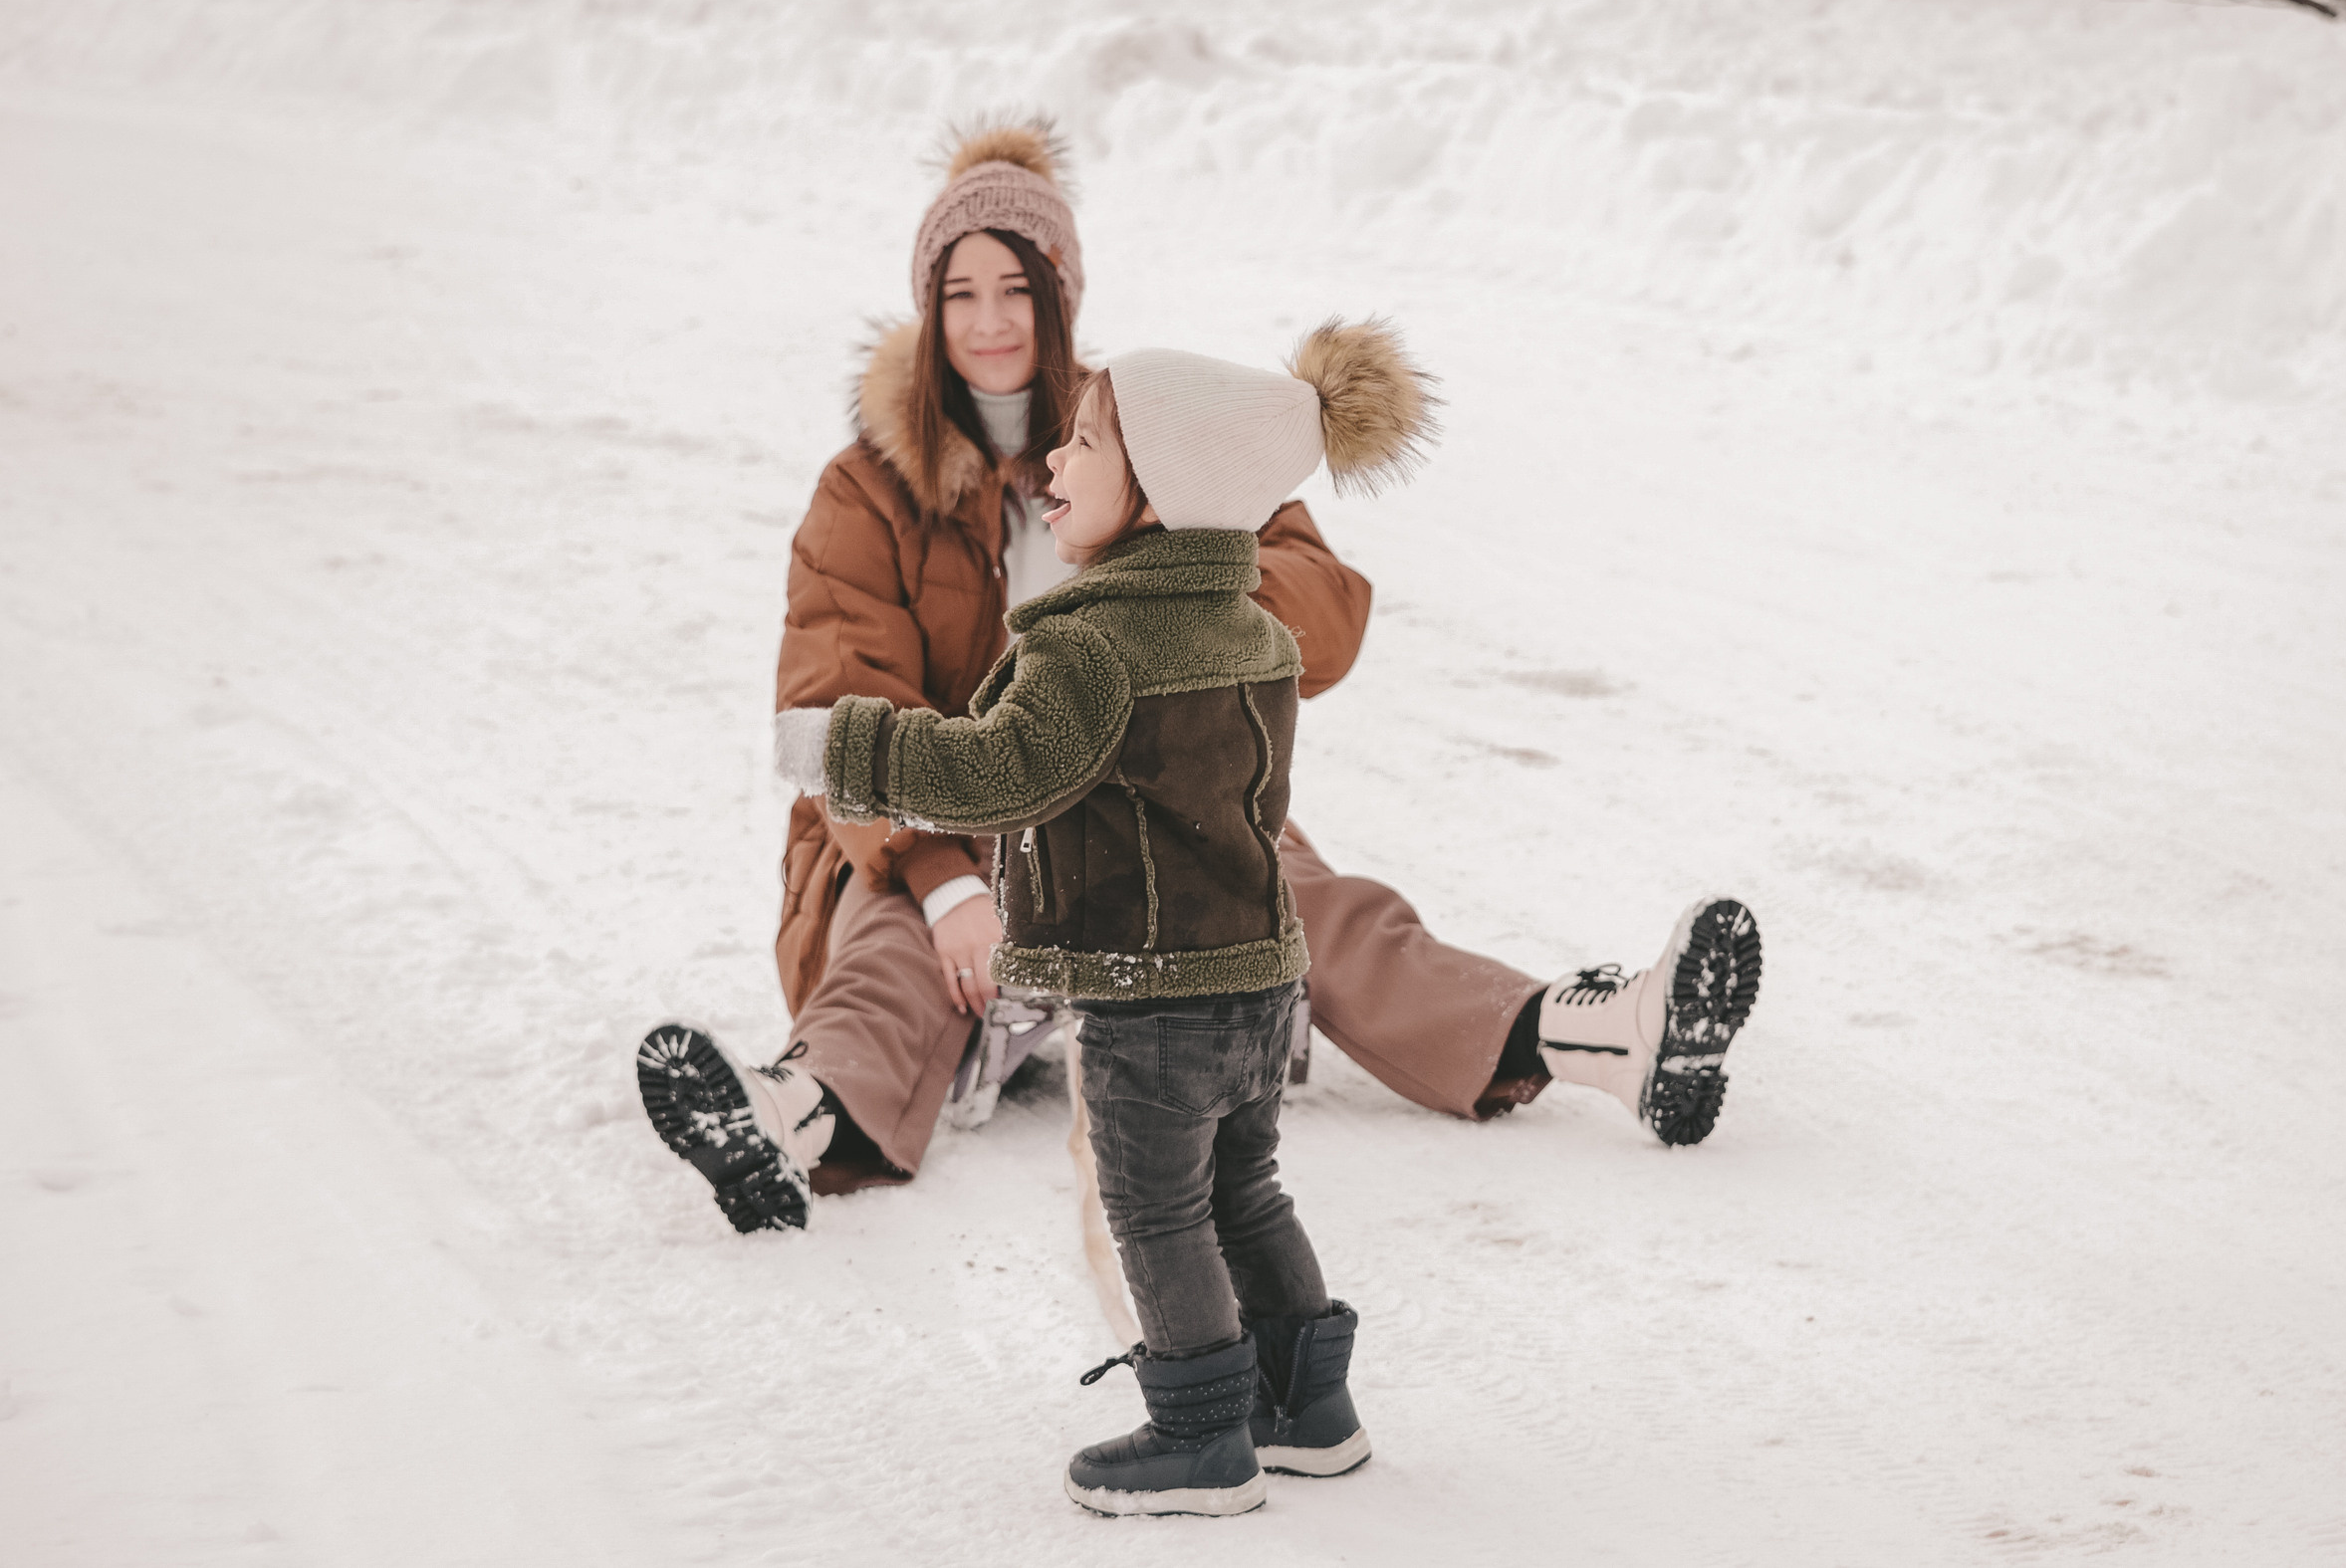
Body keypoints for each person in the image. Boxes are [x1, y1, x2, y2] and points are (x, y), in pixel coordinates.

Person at [631, 121, 1763, 1240]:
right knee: (888, 947)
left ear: (1062, 293)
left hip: (1137, 798)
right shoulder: (867, 487)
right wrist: (942, 881)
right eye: (960, 292)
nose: (987, 322)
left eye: (1017, 290)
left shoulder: (1147, 432)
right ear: (928, 308)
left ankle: (1604, 1034)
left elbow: (1322, 597)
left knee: (1299, 898)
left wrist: (1183, 625)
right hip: (935, 818)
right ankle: (785, 1117)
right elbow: (835, 701)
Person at [766, 328, 1431, 1514]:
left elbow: (997, 774)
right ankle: (1306, 1406)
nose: (1053, 461)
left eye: (1083, 440)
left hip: (1153, 999)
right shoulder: (1252, 627)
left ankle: (1198, 1433)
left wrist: (852, 747)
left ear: (1161, 489)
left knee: (1157, 1205)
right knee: (1246, 1191)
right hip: (1258, 977)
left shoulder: (1092, 646)